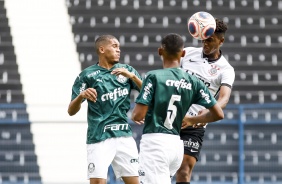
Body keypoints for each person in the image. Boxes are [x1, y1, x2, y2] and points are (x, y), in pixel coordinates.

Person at [131, 33, 224, 184]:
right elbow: (218, 113)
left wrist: (135, 114)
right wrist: (193, 119)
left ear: (160, 51)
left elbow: (138, 115)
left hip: (155, 143)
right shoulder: (193, 82)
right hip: (176, 146)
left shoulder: (153, 76)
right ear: (183, 53)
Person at [68, 35, 142, 184]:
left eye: (119, 47)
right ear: (102, 49)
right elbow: (71, 110)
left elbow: (148, 92)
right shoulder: (87, 75)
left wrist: (133, 76)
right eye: (114, 46)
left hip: (124, 136)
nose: (118, 50)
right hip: (99, 137)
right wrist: (81, 96)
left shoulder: (126, 70)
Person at [175, 18, 235, 184]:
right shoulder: (187, 54)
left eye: (210, 40)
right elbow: (167, 75)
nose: (205, 44)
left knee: (184, 171)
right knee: (162, 168)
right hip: (171, 117)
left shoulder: (226, 69)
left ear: (221, 41)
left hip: (195, 124)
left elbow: (224, 98)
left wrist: (209, 112)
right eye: (203, 39)